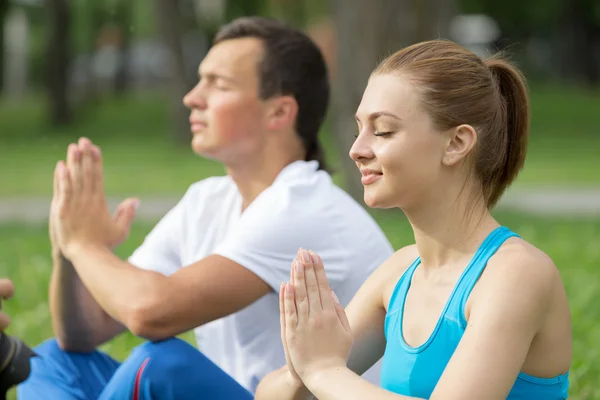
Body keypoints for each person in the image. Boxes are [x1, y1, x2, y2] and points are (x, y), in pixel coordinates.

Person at [17, 16, 393, 399]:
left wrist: (86, 246)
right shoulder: (207, 200)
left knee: (158, 365)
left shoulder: (302, 205)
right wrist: (68, 245)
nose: (192, 97)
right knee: (51, 360)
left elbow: (149, 312)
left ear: (279, 112)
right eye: (200, 80)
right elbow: (84, 331)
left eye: (219, 84)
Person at [256, 39, 572, 400]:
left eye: (383, 131)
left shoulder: (516, 273)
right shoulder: (400, 272)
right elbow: (273, 393)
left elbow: (325, 374)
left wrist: (323, 370)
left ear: (456, 144)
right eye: (359, 127)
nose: (357, 149)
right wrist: (302, 369)